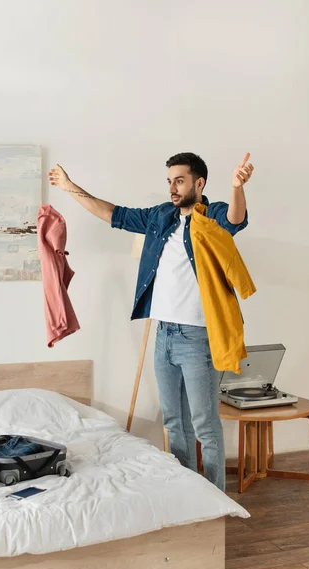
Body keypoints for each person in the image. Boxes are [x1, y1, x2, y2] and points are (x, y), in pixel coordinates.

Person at [48, 152, 253, 491]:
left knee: (204, 424)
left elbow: (235, 218)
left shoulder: (211, 215)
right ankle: (188, 490)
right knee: (174, 423)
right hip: (164, 335)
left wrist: (237, 187)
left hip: (198, 337)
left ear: (199, 183)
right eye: (170, 181)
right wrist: (71, 187)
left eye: (180, 180)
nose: (173, 188)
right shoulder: (160, 217)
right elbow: (113, 213)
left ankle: (216, 497)